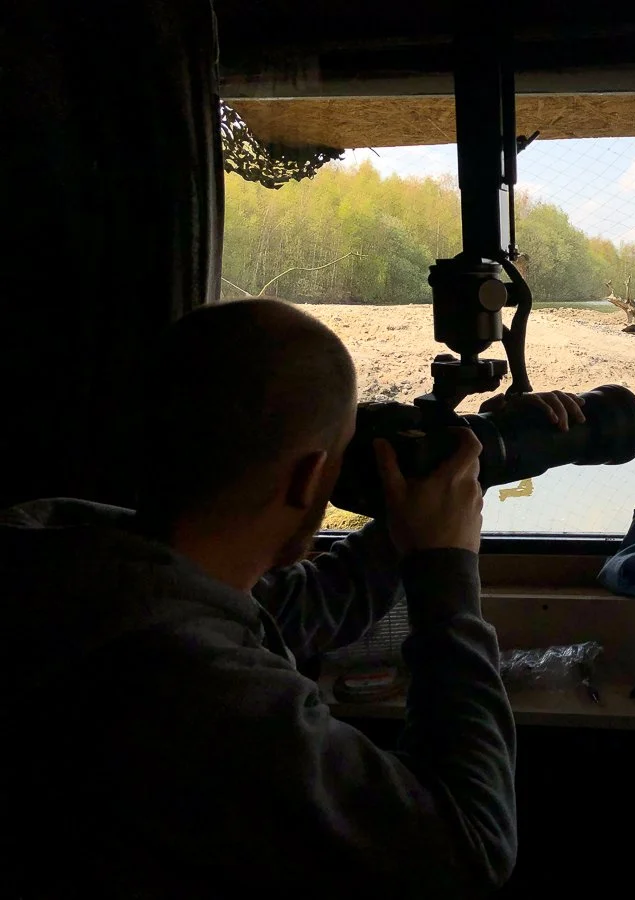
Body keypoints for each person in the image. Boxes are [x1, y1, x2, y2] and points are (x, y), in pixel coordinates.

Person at [0, 299, 584, 897]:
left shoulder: (79, 560)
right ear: (310, 479)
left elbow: (306, 605)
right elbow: (469, 843)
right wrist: (447, 575)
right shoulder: (200, 687)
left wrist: (467, 471)